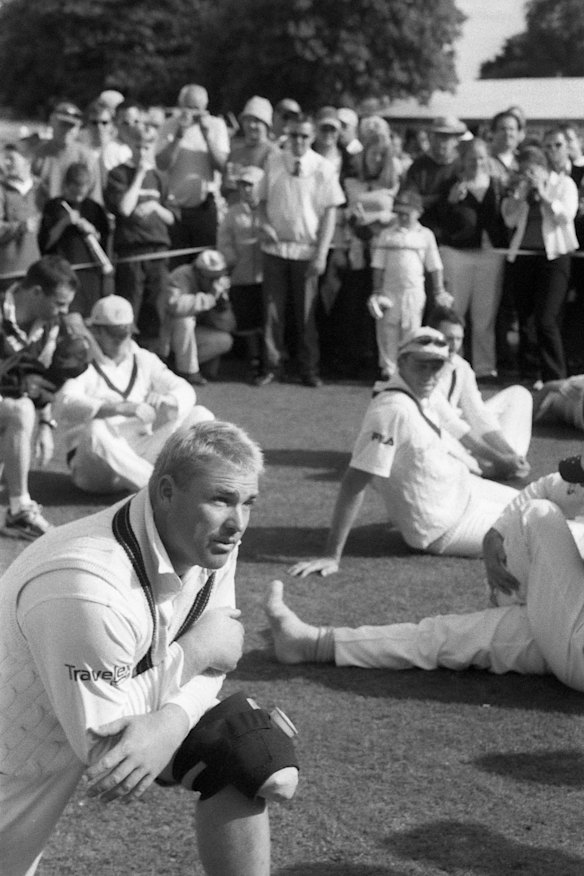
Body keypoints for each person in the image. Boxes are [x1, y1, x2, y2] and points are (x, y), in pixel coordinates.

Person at [0, 420, 299, 876]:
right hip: (19, 778)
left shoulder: (209, 540)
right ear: (165, 492)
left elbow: (219, 652)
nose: (238, 523)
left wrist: (173, 717)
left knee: (248, 749)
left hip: (58, 752)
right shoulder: (86, 588)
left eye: (248, 502)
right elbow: (109, 750)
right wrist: (193, 654)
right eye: (220, 499)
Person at [265, 458, 584, 694]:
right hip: (568, 628)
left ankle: (508, 599)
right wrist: (495, 533)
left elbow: (539, 504)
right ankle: (313, 644)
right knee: (448, 636)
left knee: (540, 514)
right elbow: (547, 485)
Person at [288, 327, 519, 575]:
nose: (430, 374)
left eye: (436, 366)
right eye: (422, 365)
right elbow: (354, 482)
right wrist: (331, 555)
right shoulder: (391, 410)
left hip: (463, 491)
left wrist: (503, 458)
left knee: (538, 501)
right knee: (539, 527)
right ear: (401, 362)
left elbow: (457, 428)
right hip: (445, 526)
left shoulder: (424, 391)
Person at [55, 295, 213, 494]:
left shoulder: (144, 359)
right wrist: (116, 408)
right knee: (96, 428)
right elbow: (64, 404)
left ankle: (195, 484)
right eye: (112, 333)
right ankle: (158, 491)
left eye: (124, 332)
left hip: (140, 451)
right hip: (95, 466)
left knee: (201, 416)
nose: (120, 340)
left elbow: (185, 389)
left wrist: (168, 399)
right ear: (96, 331)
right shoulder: (82, 361)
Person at [258, 115, 345, 387]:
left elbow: (331, 213)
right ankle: (272, 366)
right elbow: (261, 201)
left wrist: (320, 254)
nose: (298, 141)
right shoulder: (273, 161)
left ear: (312, 137)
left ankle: (309, 368)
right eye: (294, 135)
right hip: (275, 249)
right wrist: (263, 224)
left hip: (307, 251)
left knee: (306, 315)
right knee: (272, 312)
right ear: (287, 134)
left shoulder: (323, 168)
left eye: (304, 136)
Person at [0, 255, 80, 539]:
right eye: (59, 303)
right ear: (36, 292)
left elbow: (36, 379)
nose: (64, 311)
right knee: (18, 409)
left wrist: (46, 425)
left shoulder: (48, 327)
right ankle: (19, 511)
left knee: (22, 407)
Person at [502, 144, 578, 383]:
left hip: (554, 258)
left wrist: (544, 196)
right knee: (525, 318)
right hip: (523, 257)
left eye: (533, 171)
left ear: (544, 169)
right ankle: (528, 373)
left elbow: (565, 217)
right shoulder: (520, 191)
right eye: (525, 172)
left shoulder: (564, 184)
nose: (529, 177)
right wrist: (520, 196)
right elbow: (509, 219)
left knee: (546, 320)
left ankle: (555, 376)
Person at [428, 306, 532, 480]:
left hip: (462, 432)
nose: (454, 345)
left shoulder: (461, 366)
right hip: (437, 434)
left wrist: (510, 453)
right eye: (448, 338)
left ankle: (514, 462)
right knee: (437, 440)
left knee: (519, 395)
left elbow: (478, 414)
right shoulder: (421, 369)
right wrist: (497, 457)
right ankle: (487, 467)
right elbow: (451, 424)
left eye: (458, 339)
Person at [437, 138, 509, 381]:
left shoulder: (498, 186)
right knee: (455, 313)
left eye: (480, 158)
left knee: (485, 315)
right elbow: (437, 219)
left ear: (487, 159)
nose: (476, 163)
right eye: (471, 158)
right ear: (462, 160)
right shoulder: (451, 185)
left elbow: (506, 219)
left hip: (490, 255)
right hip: (457, 255)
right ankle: (450, 363)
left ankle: (485, 368)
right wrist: (450, 202)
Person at [367, 187, 448, 379]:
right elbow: (378, 265)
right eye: (399, 213)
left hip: (414, 292)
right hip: (389, 292)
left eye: (407, 214)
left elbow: (434, 265)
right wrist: (377, 291)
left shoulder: (425, 235)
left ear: (418, 212)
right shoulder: (387, 234)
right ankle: (389, 371)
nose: (402, 218)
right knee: (388, 331)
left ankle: (408, 372)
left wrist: (439, 291)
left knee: (411, 331)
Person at [105, 125, 176, 341]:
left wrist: (155, 207)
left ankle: (152, 359)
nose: (143, 152)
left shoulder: (161, 178)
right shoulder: (118, 174)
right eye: (138, 146)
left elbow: (172, 218)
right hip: (132, 253)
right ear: (130, 146)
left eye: (148, 147)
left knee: (155, 311)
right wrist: (140, 174)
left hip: (158, 252)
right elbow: (124, 209)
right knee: (129, 311)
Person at [157, 84, 230, 253]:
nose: (191, 113)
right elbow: (162, 164)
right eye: (187, 107)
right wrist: (178, 135)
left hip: (205, 207)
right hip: (175, 207)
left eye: (196, 109)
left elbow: (222, 166)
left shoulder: (216, 125)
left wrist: (207, 137)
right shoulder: (169, 125)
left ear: (205, 108)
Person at [38, 162, 111, 316]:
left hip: (89, 273)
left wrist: (92, 230)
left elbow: (104, 242)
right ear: (67, 184)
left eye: (83, 186)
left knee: (88, 314)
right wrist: (64, 223)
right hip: (63, 271)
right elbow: (46, 243)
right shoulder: (54, 206)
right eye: (75, 186)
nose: (80, 191)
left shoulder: (95, 208)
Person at [217, 166, 266, 383]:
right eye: (242, 185)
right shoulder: (232, 213)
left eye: (250, 185)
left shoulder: (269, 209)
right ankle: (253, 361)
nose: (245, 189)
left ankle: (270, 361)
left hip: (267, 278)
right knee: (247, 323)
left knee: (267, 321)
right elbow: (224, 242)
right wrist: (233, 260)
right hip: (242, 277)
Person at [159, 249, 235, 385]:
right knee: (185, 321)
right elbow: (176, 307)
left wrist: (222, 308)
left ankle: (176, 366)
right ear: (199, 272)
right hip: (167, 335)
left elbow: (228, 326)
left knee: (225, 340)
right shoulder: (181, 275)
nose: (215, 281)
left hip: (194, 335)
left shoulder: (219, 286)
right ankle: (188, 371)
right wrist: (210, 298)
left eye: (218, 276)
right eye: (211, 277)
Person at [32, 101, 101, 207]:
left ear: (78, 128)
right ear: (52, 122)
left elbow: (95, 198)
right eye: (63, 125)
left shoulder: (86, 157)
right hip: (47, 216)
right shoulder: (39, 154)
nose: (67, 130)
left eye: (71, 126)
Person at [0, 140, 41, 284]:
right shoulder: (2, 191)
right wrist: (20, 227)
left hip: (36, 271)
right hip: (7, 273)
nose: (6, 163)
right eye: (5, 159)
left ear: (27, 161)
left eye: (11, 158)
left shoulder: (40, 190)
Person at [222, 96, 276, 205]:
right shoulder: (236, 151)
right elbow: (224, 190)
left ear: (266, 125)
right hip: (235, 214)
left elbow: (275, 190)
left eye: (257, 121)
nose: (251, 125)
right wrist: (227, 185)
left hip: (260, 216)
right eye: (248, 120)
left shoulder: (273, 153)